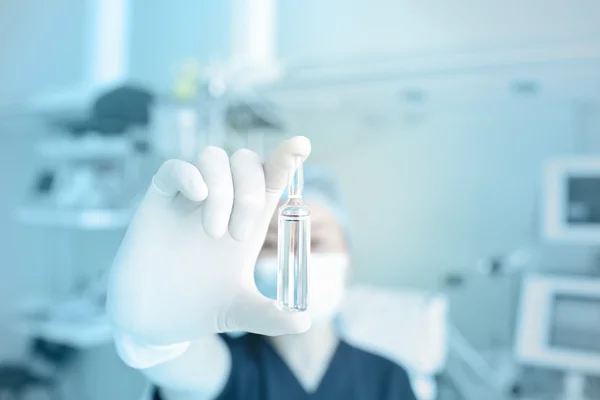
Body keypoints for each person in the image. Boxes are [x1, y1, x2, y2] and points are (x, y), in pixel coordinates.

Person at [107, 136, 417, 400]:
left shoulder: (388, 380)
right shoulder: (230, 365)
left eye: (316, 242)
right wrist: (159, 340)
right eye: (270, 245)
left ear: (348, 260)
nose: (295, 257)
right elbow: (184, 370)